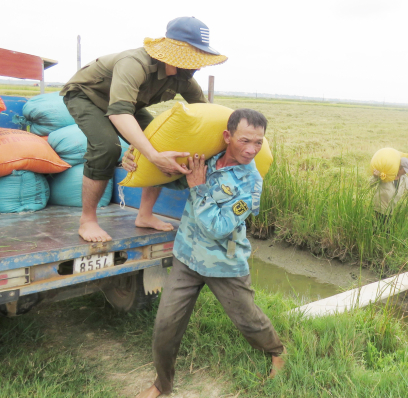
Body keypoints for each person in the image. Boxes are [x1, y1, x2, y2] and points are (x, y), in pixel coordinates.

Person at [132, 109, 285, 398]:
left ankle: (277, 350)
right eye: (245, 141)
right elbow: (166, 177)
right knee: (165, 327)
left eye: (259, 143)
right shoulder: (205, 160)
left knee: (248, 321)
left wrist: (199, 189)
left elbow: (219, 227)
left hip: (224, 264)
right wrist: (137, 161)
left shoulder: (251, 183)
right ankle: (162, 385)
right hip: (187, 258)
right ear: (227, 136)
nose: (252, 150)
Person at [60, 16, 227, 242]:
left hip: (128, 106)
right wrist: (151, 155)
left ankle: (145, 215)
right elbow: (119, 114)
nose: (197, 65)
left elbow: (206, 114)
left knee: (163, 143)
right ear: (174, 54)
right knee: (107, 147)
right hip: (87, 97)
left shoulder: (183, 78)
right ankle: (87, 220)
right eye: (192, 58)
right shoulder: (134, 63)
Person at [370, 157, 408, 226]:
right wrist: (375, 177)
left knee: (386, 230)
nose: (405, 172)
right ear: (399, 167)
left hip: (390, 209)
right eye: (404, 170)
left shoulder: (404, 178)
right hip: (379, 208)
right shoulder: (385, 174)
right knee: (376, 228)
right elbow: (370, 184)